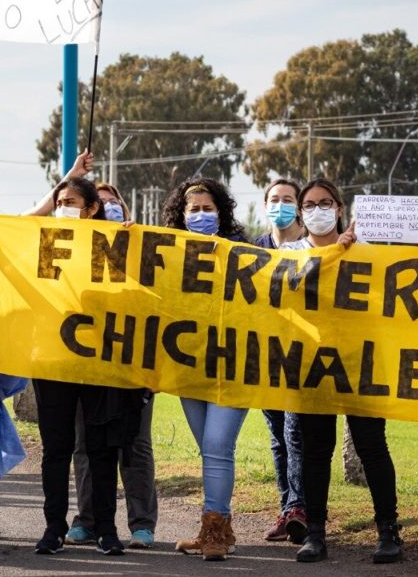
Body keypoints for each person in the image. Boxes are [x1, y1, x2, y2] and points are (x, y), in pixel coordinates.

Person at [284, 178, 418, 565]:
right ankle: (316, 535)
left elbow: (407, 285)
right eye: (310, 204)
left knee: (372, 446)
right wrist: (334, 255)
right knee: (316, 451)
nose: (317, 209)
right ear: (301, 214)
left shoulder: (368, 252)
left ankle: (388, 531)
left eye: (325, 202)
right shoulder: (289, 251)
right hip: (311, 365)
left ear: (339, 209)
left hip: (364, 361)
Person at [15, 176, 145, 557]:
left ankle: (106, 527)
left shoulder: (116, 245)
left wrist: (134, 245)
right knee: (57, 448)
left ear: (91, 208)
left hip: (100, 359)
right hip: (53, 360)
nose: (62, 207)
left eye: (70, 201)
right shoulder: (45, 242)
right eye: (58, 201)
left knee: (102, 446)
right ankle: (53, 527)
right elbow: (14, 231)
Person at [65, 182, 159, 550]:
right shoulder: (73, 250)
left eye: (113, 203)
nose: (108, 209)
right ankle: (87, 520)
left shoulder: (143, 248)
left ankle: (141, 524)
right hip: (84, 363)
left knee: (134, 444)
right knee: (85, 443)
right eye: (101, 204)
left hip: (132, 364)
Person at [163, 178, 248, 562]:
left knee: (216, 445)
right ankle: (219, 529)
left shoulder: (244, 251)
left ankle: (213, 533)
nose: (200, 215)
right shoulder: (166, 254)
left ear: (221, 212)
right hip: (188, 364)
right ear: (180, 215)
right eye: (192, 209)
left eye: (207, 208)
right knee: (211, 450)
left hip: (234, 365)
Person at [253, 178, 308, 543]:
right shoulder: (253, 249)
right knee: (277, 436)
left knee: (295, 432)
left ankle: (300, 508)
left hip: (303, 358)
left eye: (288, 199)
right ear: (265, 204)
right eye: (275, 199)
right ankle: (287, 506)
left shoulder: (312, 249)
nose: (281, 205)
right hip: (263, 358)